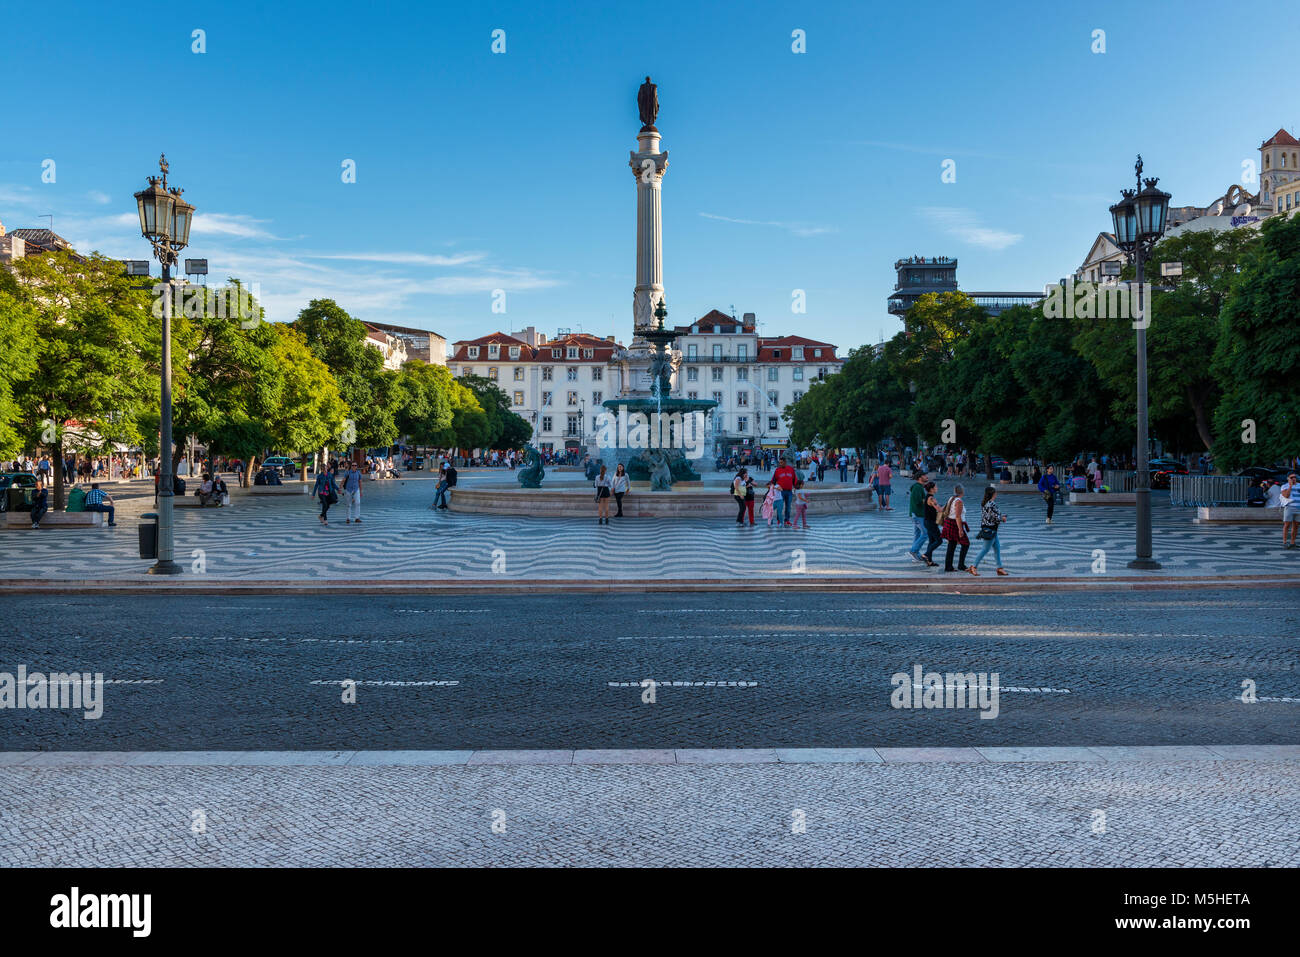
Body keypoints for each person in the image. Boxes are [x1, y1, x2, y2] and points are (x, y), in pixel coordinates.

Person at [968, 486, 1009, 576]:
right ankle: (973, 566)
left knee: (997, 548)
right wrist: (1002, 518)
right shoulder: (990, 504)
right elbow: (994, 517)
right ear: (993, 494)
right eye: (995, 493)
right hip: (990, 530)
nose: (996, 494)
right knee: (985, 549)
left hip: (992, 529)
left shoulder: (987, 503)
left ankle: (999, 568)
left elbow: (992, 515)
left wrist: (1001, 517)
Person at [941, 483, 969, 572]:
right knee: (965, 543)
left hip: (949, 523)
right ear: (962, 492)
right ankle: (960, 565)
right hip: (954, 524)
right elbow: (957, 516)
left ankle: (949, 566)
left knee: (951, 545)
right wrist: (960, 529)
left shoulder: (951, 498)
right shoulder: (959, 501)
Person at [906, 471, 930, 563]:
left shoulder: (919, 487)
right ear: (920, 478)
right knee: (925, 533)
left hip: (917, 514)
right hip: (917, 514)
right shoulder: (917, 488)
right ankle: (913, 550)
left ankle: (915, 554)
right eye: (924, 475)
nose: (926, 476)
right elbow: (918, 501)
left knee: (917, 534)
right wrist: (928, 501)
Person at [921, 481, 942, 568]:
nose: (937, 488)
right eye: (936, 487)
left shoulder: (928, 497)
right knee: (939, 540)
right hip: (931, 522)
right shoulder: (931, 498)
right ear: (932, 489)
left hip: (927, 521)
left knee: (932, 541)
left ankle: (929, 561)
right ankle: (926, 554)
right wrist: (948, 505)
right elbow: (939, 509)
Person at [773, 457, 797, 526]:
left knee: (788, 507)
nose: (780, 464)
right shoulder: (777, 470)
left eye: (781, 462)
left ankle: (787, 520)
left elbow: (794, 479)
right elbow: (773, 481)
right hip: (780, 492)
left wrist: (795, 487)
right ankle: (779, 520)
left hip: (789, 492)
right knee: (779, 507)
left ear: (785, 462)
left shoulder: (791, 469)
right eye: (779, 462)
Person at [1281, 473, 1300, 549]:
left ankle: (1292, 542)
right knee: (1287, 525)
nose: (1294, 478)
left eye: (1295, 477)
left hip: (1299, 508)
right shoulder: (1284, 486)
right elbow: (1286, 496)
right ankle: (1285, 542)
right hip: (1289, 507)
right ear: (1288, 478)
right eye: (1292, 477)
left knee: (1296, 526)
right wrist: (1290, 486)